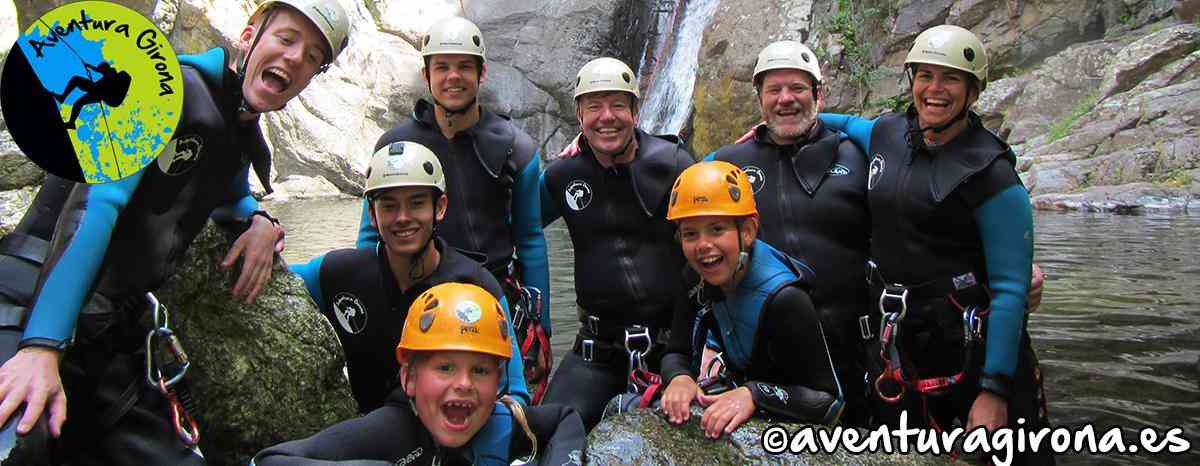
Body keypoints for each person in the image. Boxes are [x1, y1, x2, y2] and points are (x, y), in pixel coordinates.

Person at [0, 0, 350, 463]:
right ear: (249, 37)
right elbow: (97, 203)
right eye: (285, 39)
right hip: (28, 301)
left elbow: (230, 193)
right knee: (18, 445)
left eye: (311, 57)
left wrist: (262, 222)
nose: (294, 58)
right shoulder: (164, 88)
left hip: (107, 331)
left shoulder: (235, 126)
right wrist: (42, 345)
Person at [820, 25, 1052, 462]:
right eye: (924, 76)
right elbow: (849, 124)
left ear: (972, 91)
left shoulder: (992, 175)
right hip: (902, 341)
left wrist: (994, 392)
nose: (934, 89)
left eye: (950, 79)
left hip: (965, 351)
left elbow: (1009, 289)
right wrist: (769, 127)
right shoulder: (889, 134)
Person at [288, 141, 529, 464]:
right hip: (373, 436)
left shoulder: (474, 287)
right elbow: (275, 279)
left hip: (452, 438)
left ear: (439, 207)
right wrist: (260, 228)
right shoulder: (340, 274)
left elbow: (515, 393)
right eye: (388, 206)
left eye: (416, 203)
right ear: (372, 214)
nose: (402, 218)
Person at [355, 17, 553, 401]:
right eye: (442, 67)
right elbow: (370, 234)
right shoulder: (394, 145)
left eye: (464, 66)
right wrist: (369, 299)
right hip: (413, 292)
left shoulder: (517, 147)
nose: (453, 77)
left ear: (482, 73)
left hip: (490, 293)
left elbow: (529, 239)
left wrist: (540, 324)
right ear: (426, 74)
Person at [701, 40, 873, 426]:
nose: (785, 99)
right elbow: (679, 220)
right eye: (773, 90)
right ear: (759, 99)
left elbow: (913, 214)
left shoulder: (857, 155)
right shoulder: (728, 163)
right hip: (765, 359)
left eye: (797, 88)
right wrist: (591, 145)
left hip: (857, 350)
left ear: (818, 94)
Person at [250, 283, 586, 466]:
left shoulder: (503, 421)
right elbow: (270, 459)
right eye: (444, 367)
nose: (464, 384)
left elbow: (565, 418)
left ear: (498, 381)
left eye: (480, 370)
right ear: (409, 377)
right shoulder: (391, 432)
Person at [538, 57, 694, 429]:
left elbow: (717, 243)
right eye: (594, 107)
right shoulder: (563, 175)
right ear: (578, 114)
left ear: (635, 111)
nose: (606, 116)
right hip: (596, 351)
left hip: (674, 348)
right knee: (546, 433)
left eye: (618, 105)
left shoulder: (673, 163)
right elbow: (516, 231)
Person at [657, 161, 843, 438]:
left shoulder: (786, 299)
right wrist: (679, 378)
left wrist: (754, 394)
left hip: (796, 412)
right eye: (690, 234)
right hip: (744, 387)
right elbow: (676, 351)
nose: (703, 246)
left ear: (748, 231)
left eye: (717, 229)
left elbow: (829, 400)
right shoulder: (694, 276)